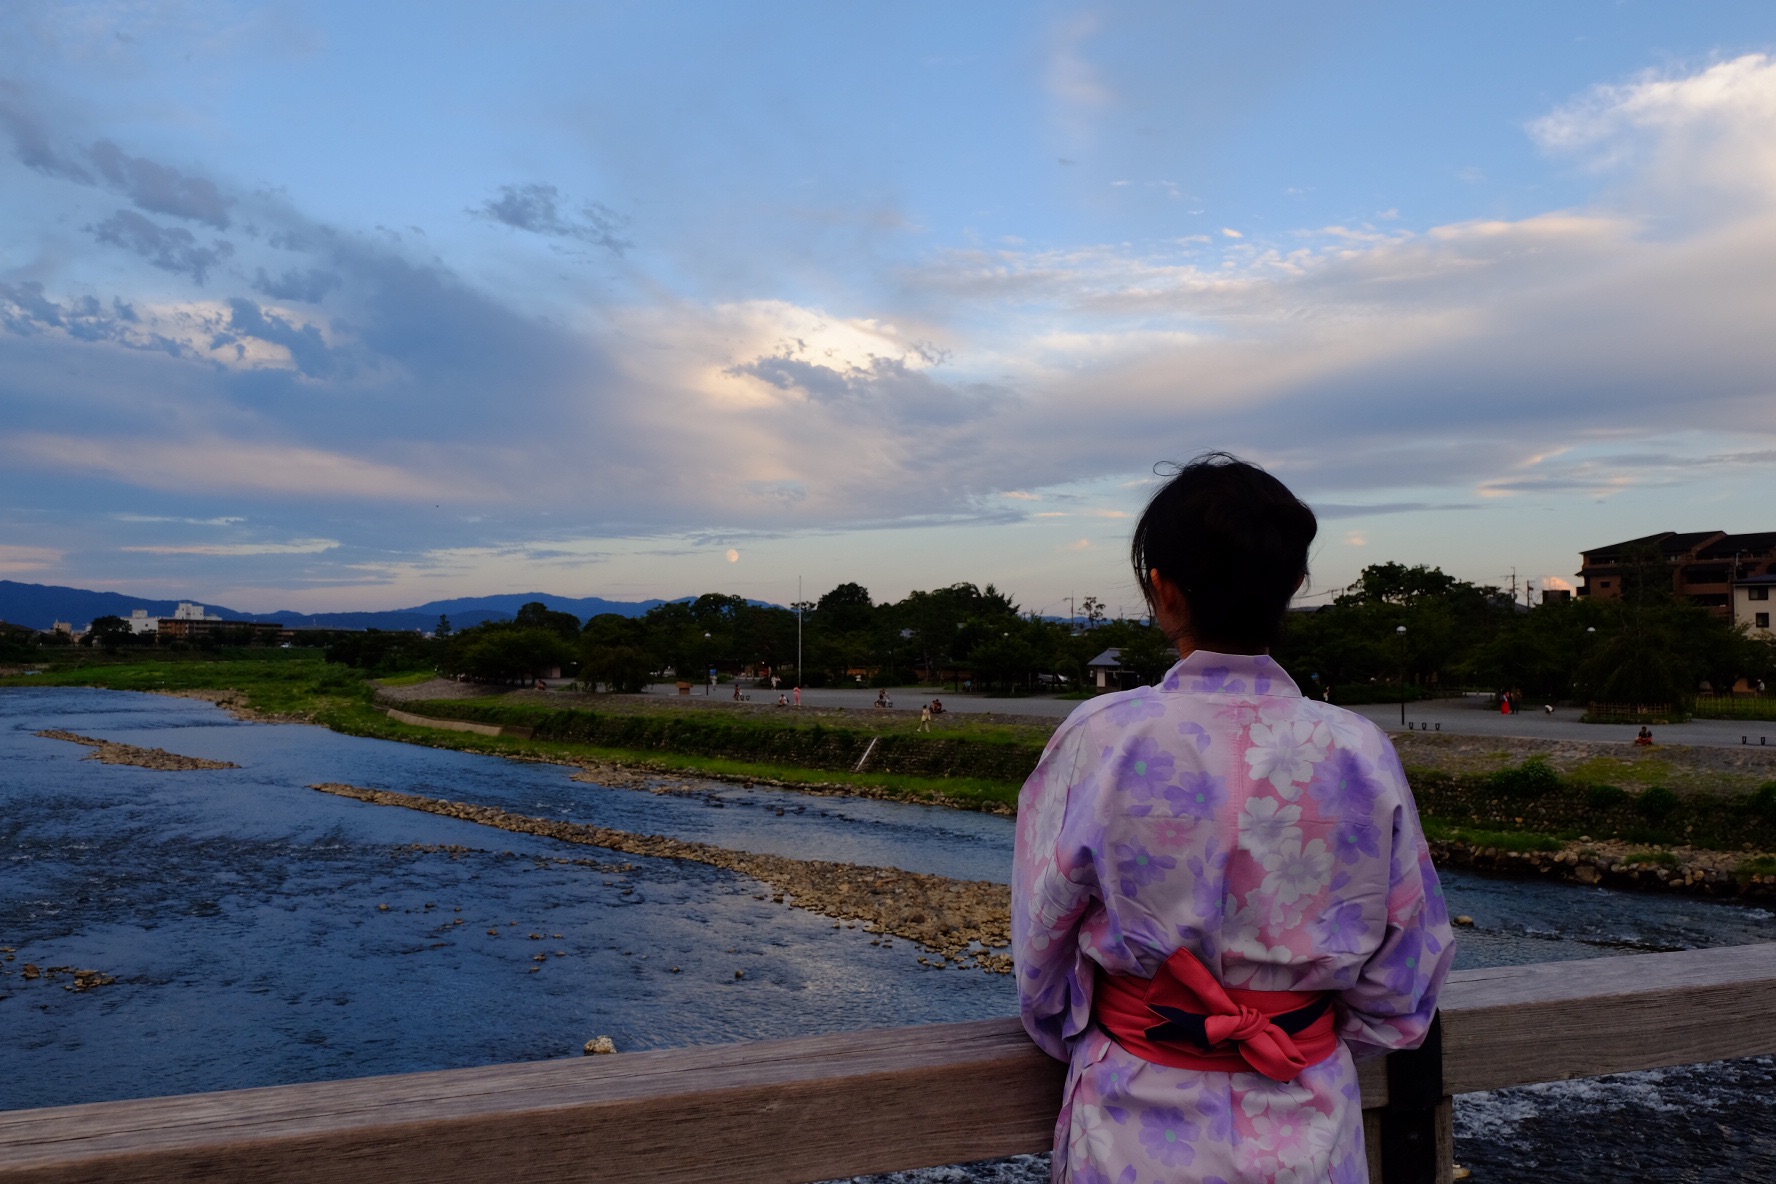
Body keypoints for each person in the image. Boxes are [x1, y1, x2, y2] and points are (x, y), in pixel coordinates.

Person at [1013, 453, 1453, 1184]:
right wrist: (1291, 1030)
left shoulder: (1103, 738)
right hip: (1308, 1114)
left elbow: (1043, 955)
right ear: (1292, 589)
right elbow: (1409, 967)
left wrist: (1121, 1028)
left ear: (1164, 592)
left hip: (1133, 1115)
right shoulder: (1357, 749)